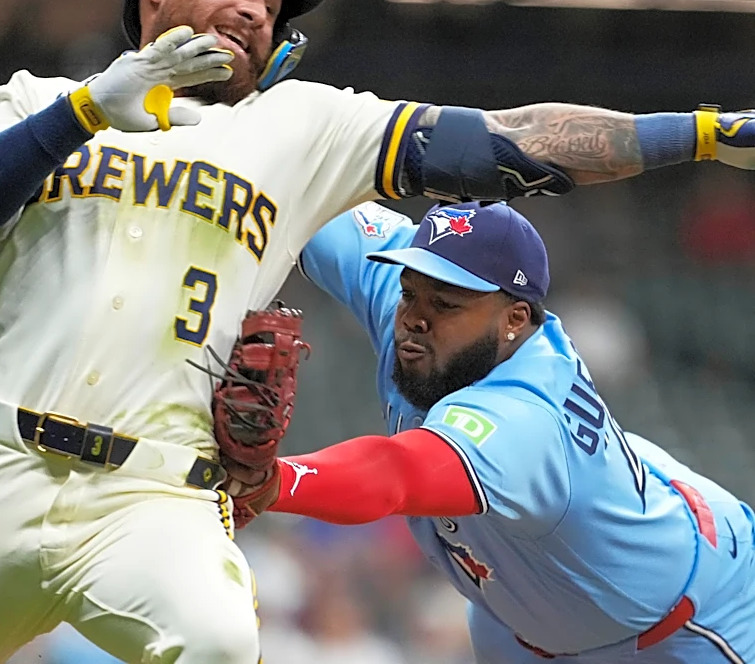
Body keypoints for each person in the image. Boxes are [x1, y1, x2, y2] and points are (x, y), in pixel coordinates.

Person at [0, 0, 755, 664]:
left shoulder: (298, 130)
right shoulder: (33, 102)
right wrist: (80, 111)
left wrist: (702, 133)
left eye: (273, 3)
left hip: (688, 619)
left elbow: (508, 143)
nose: (257, 10)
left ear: (515, 316)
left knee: (216, 641)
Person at [241, 200, 755, 663]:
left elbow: (396, 472)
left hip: (689, 625)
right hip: (520, 621)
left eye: (445, 303)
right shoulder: (427, 318)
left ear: (514, 317)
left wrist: (271, 481)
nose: (414, 317)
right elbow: (299, 191)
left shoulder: (524, 416)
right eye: (410, 293)